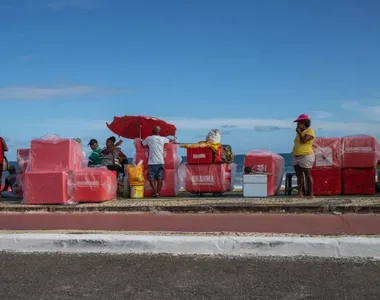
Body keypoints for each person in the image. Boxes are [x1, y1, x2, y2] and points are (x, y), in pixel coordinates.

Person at [142, 126, 173, 197]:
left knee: (151, 178)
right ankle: (158, 193)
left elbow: (142, 143)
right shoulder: (163, 139)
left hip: (152, 162)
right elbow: (170, 140)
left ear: (152, 131)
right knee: (160, 178)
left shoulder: (149, 138)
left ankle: (155, 192)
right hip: (161, 162)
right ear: (159, 132)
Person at [292, 114, 315, 198]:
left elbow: (304, 141)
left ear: (304, 123)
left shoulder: (310, 131)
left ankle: (311, 194)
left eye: (299, 123)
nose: (297, 125)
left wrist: (299, 132)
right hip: (296, 156)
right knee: (299, 175)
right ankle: (299, 193)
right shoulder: (299, 132)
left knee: (307, 174)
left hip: (306, 155)